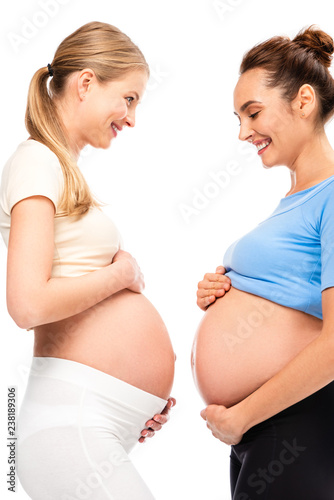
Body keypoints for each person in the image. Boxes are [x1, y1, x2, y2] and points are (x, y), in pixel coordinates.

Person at [0, 21, 176, 500]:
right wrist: (120, 275)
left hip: (90, 418)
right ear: (85, 84)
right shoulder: (36, 161)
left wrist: (138, 399)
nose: (132, 117)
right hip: (70, 420)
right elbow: (27, 304)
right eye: (129, 98)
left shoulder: (59, 169)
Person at [192, 25, 334, 500]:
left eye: (253, 113)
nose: (242, 131)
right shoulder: (294, 201)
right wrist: (223, 291)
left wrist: (242, 416)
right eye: (237, 117)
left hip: (297, 422)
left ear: (304, 101)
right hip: (262, 430)